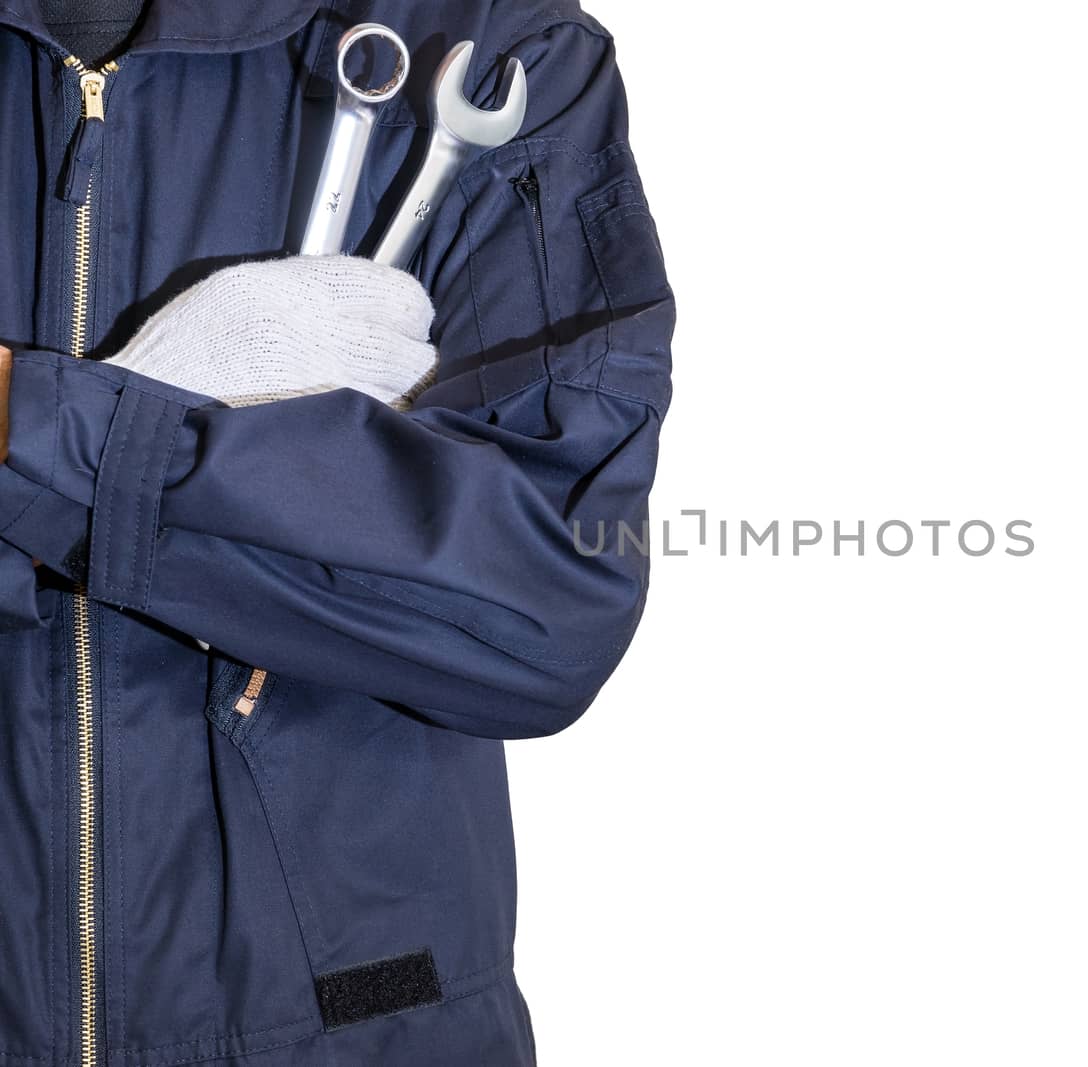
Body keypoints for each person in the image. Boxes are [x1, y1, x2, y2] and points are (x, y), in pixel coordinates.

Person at [0, 2, 673, 1064]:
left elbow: (543, 604)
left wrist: (30, 428)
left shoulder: (490, 39)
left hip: (361, 1022)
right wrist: (193, 444)